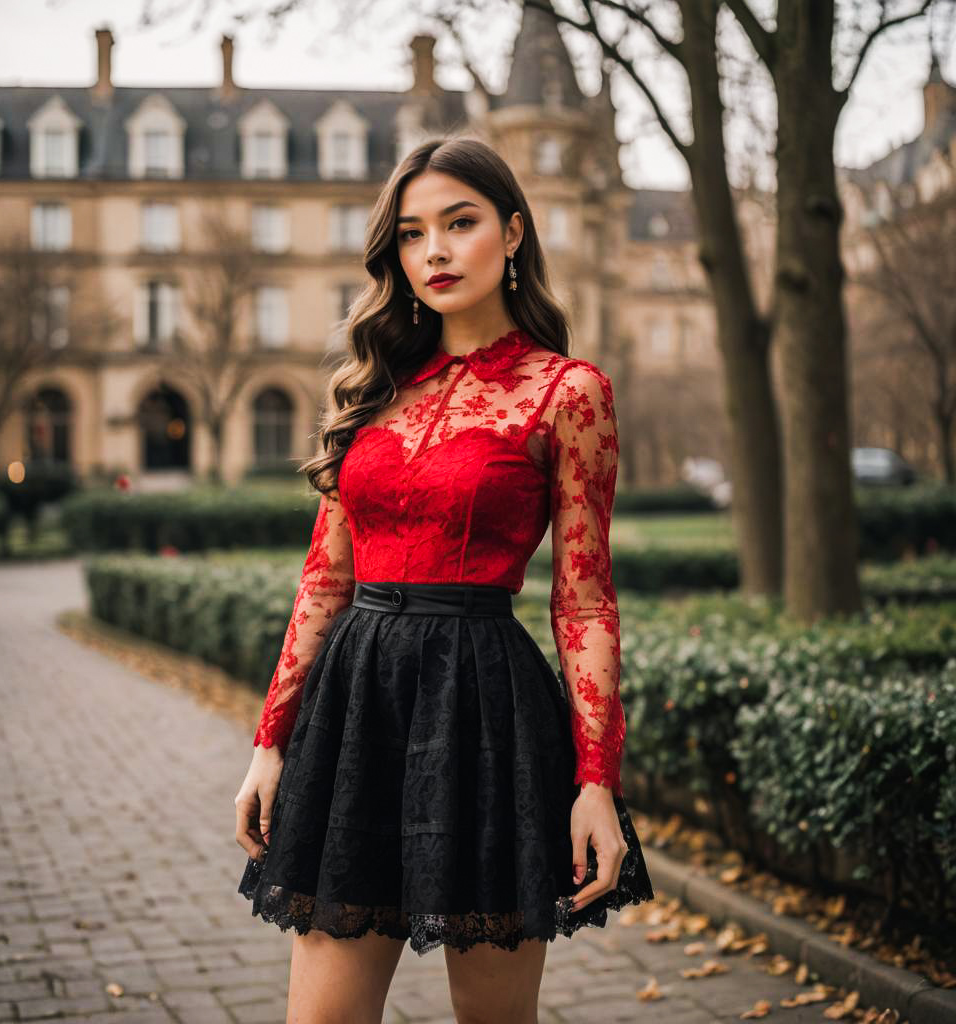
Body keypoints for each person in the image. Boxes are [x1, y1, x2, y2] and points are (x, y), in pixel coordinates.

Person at [234, 135, 654, 1024]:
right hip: (354, 713)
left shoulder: (568, 393)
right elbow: (323, 581)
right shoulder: (372, 389)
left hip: (484, 715)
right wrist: (271, 740)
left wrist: (596, 780)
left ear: (511, 233)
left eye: (458, 223)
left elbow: (582, 597)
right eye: (412, 233)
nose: (433, 250)